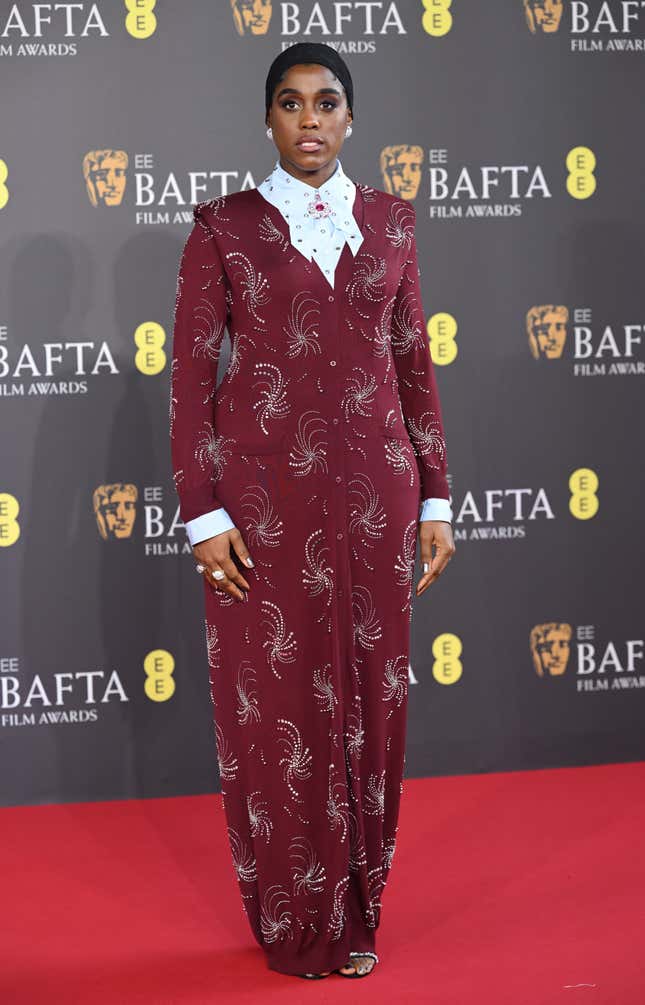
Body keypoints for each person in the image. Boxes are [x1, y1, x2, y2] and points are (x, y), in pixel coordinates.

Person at [169, 41, 456, 980]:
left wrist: (439, 493)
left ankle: (359, 912)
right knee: (279, 710)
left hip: (379, 496)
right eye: (290, 104)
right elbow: (188, 385)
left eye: (327, 103)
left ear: (349, 117)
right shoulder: (222, 228)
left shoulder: (393, 222)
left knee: (372, 703)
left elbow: (413, 367)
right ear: (267, 118)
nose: (309, 121)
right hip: (264, 510)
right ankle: (296, 924)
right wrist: (202, 514)